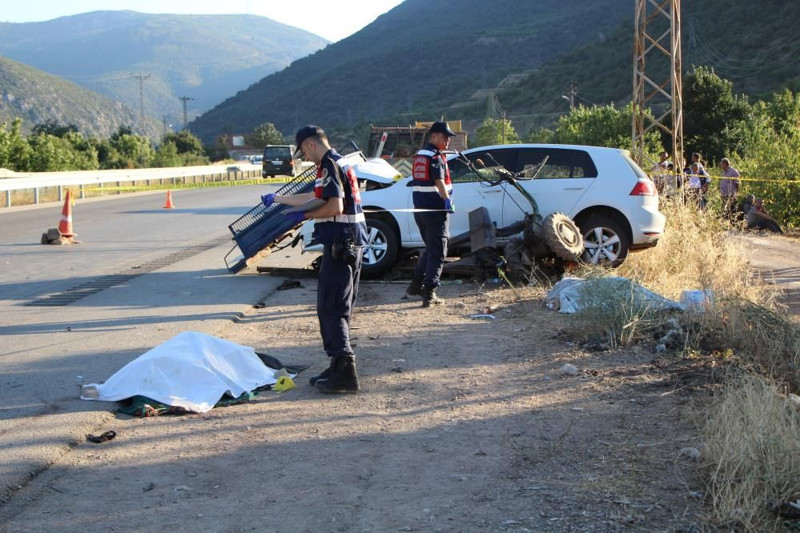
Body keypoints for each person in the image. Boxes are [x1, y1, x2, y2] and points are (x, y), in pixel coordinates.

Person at [261, 125, 367, 394]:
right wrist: (279, 199)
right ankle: (337, 363)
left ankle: (345, 370)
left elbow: (334, 206)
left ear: (310, 145)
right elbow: (315, 196)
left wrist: (304, 216)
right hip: (348, 241)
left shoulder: (330, 164)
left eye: (304, 152)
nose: (305, 158)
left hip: (342, 243)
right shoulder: (336, 163)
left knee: (331, 306)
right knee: (338, 304)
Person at [405, 121, 456, 307]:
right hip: (435, 210)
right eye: (445, 137)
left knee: (430, 248)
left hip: (421, 210)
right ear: (434, 136)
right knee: (439, 251)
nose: (448, 141)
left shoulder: (420, 155)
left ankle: (415, 286)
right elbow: (438, 180)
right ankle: (430, 292)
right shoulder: (436, 157)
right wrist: (447, 200)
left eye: (449, 138)